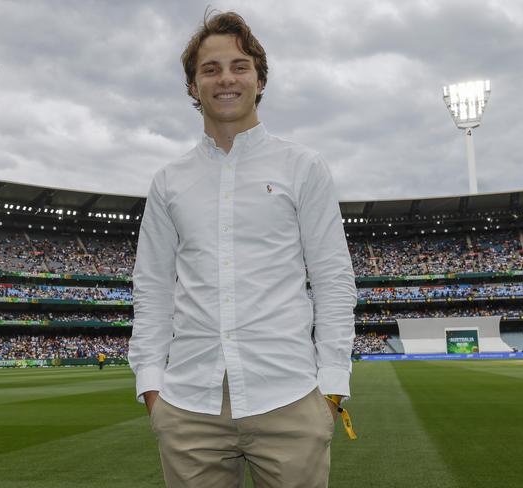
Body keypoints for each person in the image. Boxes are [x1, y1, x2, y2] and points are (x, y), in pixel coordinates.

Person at [128, 10, 356, 488]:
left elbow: (333, 278)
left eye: (239, 66)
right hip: (189, 406)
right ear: (193, 86)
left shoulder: (303, 167)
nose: (225, 78)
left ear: (259, 78)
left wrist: (332, 387)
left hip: (288, 397)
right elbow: (151, 287)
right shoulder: (169, 182)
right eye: (210, 69)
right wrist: (151, 386)